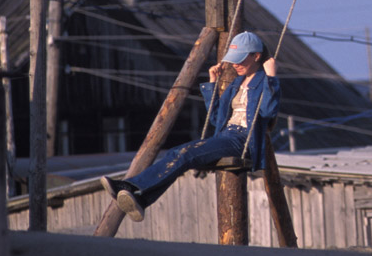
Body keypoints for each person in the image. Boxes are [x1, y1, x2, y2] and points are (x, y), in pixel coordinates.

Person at [100, 31, 281, 222]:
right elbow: (215, 118)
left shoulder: (264, 81)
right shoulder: (237, 83)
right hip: (226, 136)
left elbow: (269, 112)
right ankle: (142, 199)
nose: (235, 64)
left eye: (240, 59)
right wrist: (212, 83)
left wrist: (272, 77)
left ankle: (129, 187)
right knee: (177, 153)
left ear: (256, 56)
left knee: (186, 153)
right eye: (233, 59)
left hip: (243, 140)